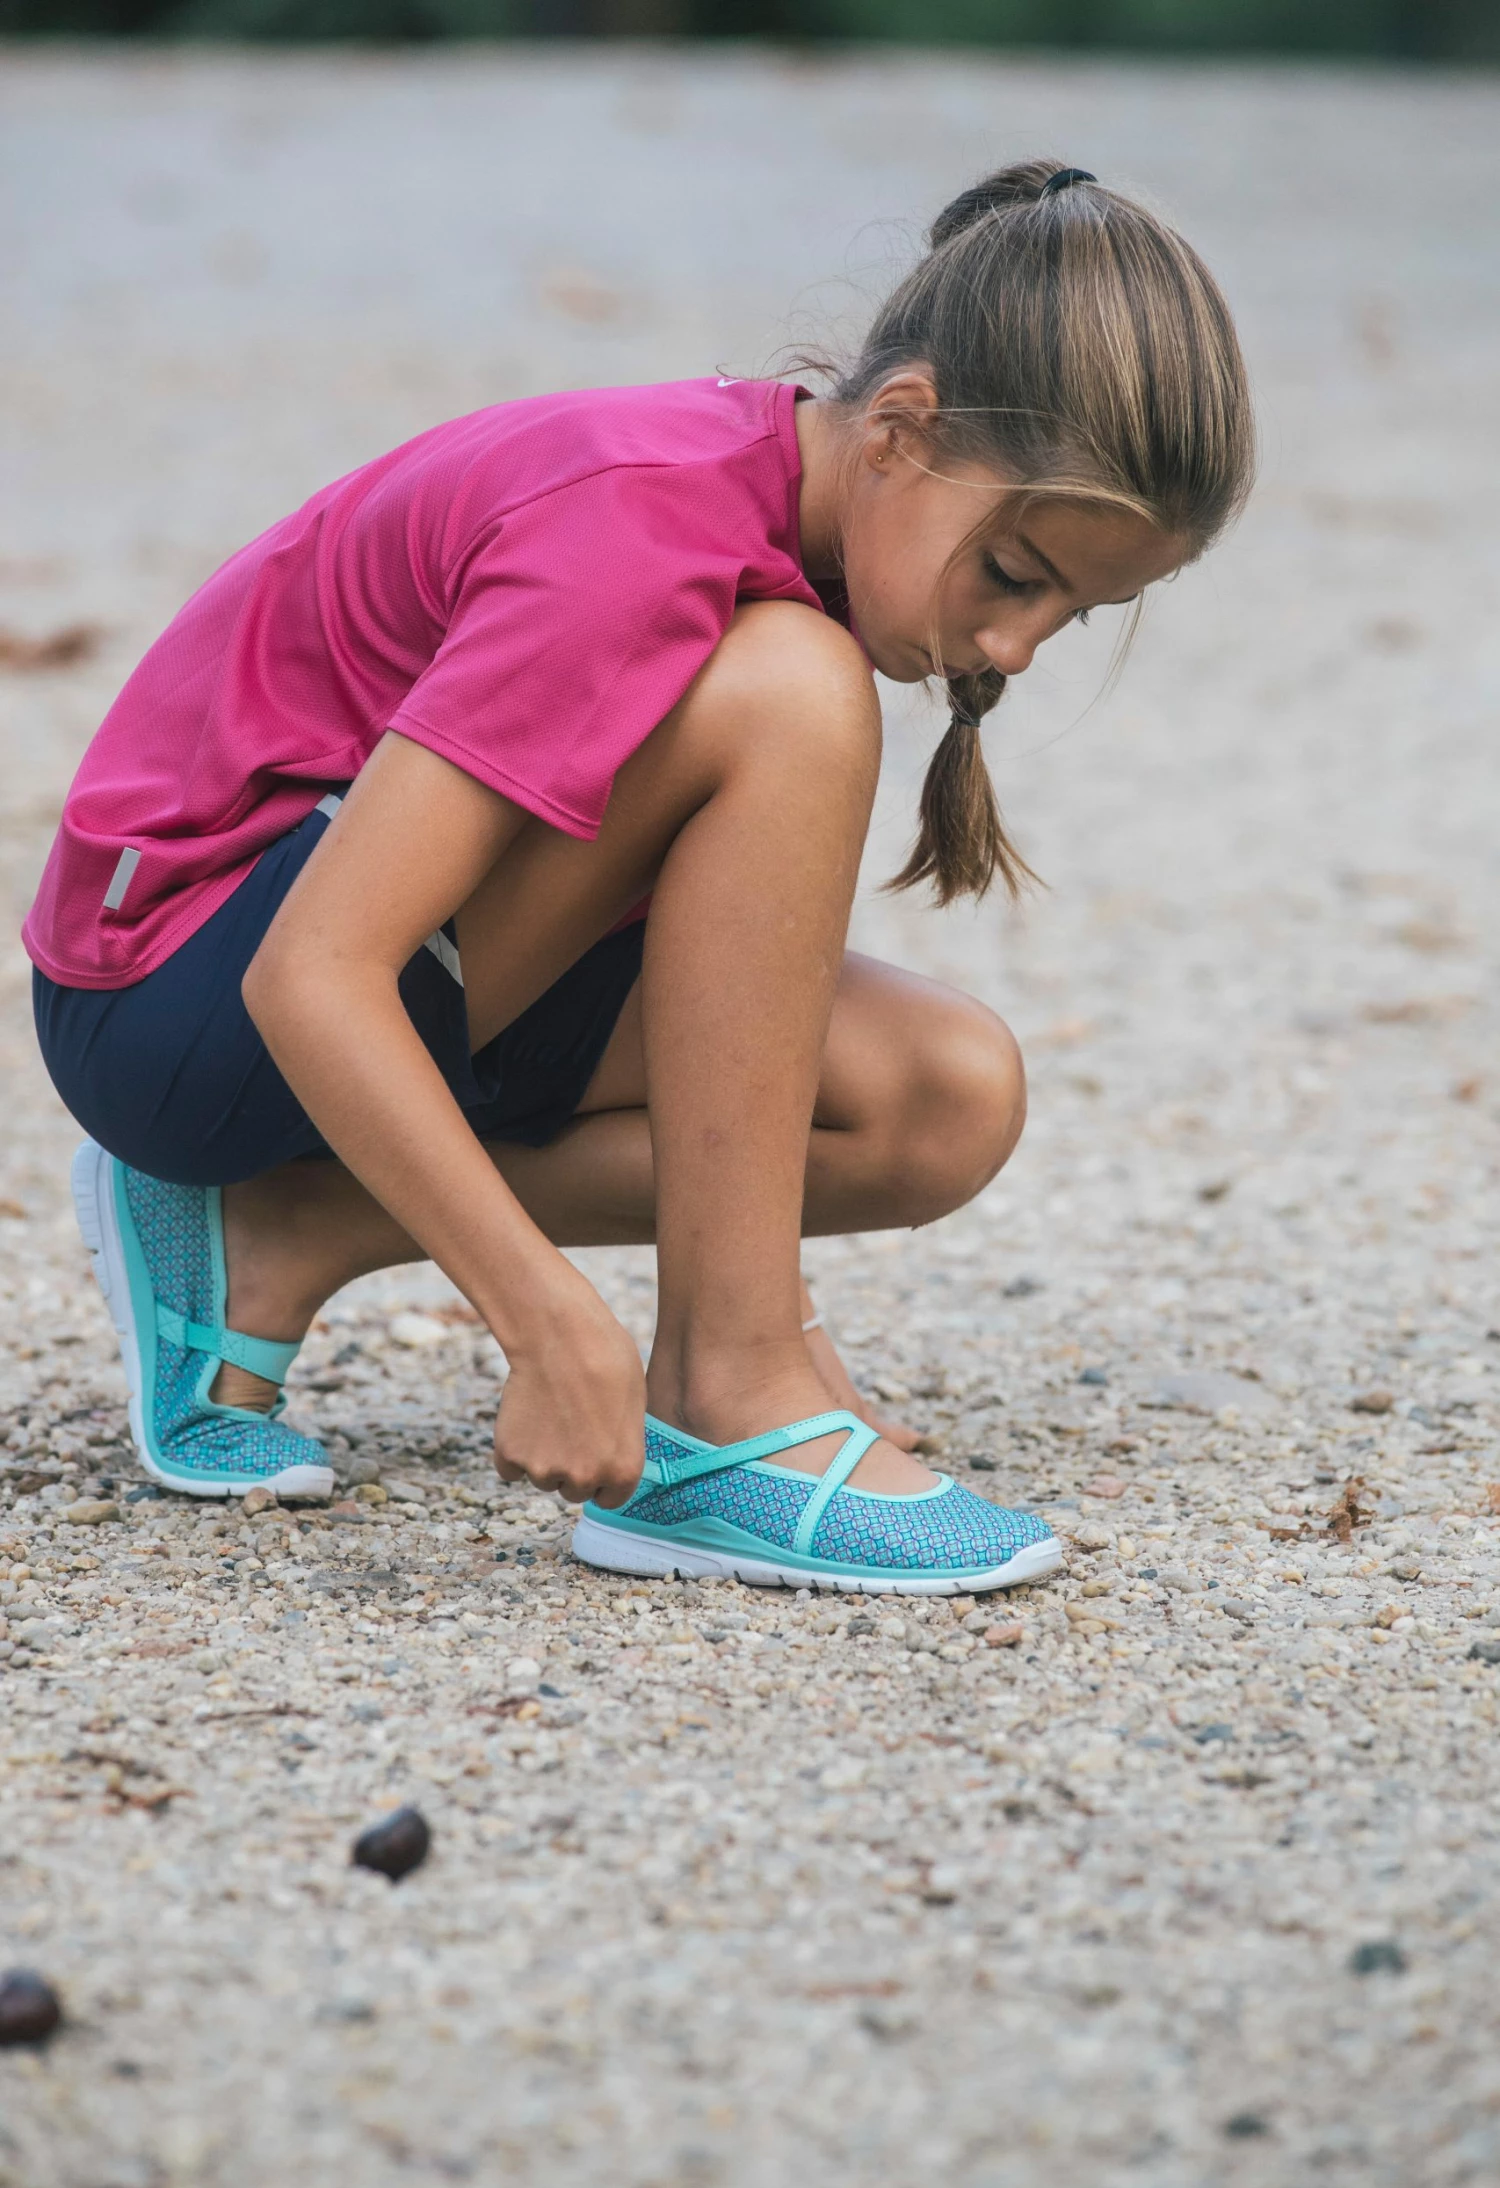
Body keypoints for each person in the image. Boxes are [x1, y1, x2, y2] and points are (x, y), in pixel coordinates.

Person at [26, 160, 1253, 1596]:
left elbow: (732, 993)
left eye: (1073, 611)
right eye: (1016, 571)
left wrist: (793, 1325)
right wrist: (545, 1318)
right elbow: (316, 968)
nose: (1019, 647)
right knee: (793, 688)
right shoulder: (638, 529)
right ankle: (724, 1420)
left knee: (936, 1096)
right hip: (182, 996)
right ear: (902, 431)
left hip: (379, 984)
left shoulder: (782, 524)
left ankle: (275, 1230)